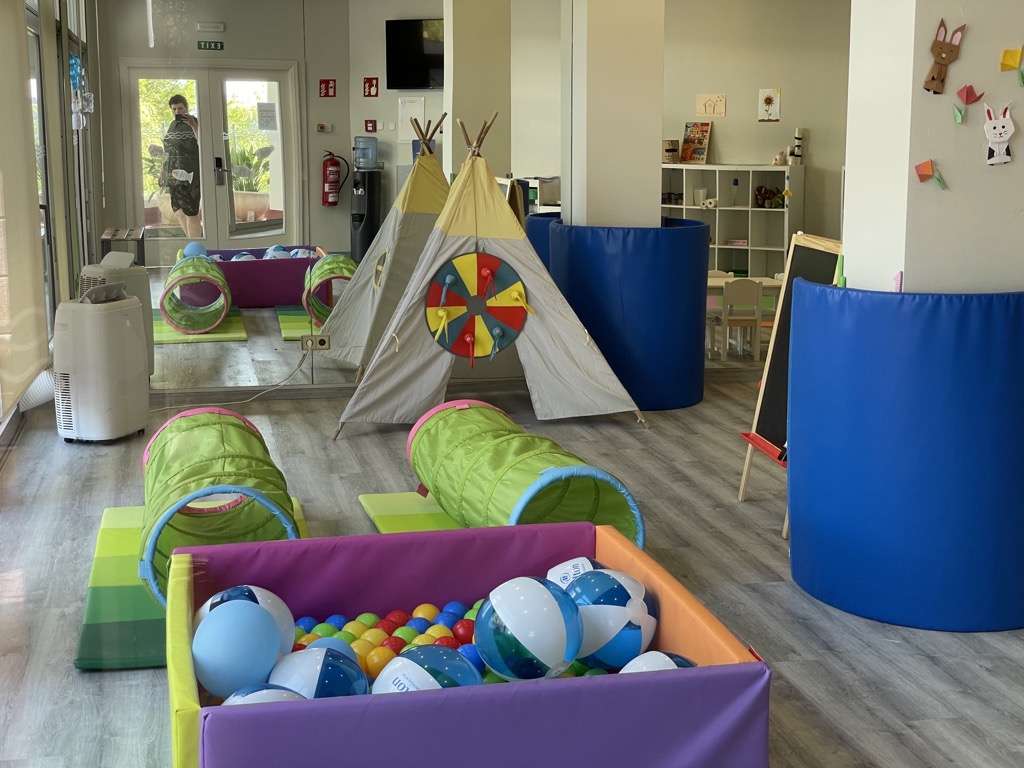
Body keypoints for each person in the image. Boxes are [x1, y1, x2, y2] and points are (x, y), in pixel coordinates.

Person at [158, 94, 202, 238]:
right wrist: (162, 171)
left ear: (186, 108)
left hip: (189, 175)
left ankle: (196, 245)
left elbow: (203, 143)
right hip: (172, 174)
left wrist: (193, 125)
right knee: (178, 210)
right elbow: (167, 151)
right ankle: (190, 241)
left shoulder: (195, 122)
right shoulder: (172, 126)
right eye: (174, 109)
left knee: (190, 211)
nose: (177, 111)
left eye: (180, 108)